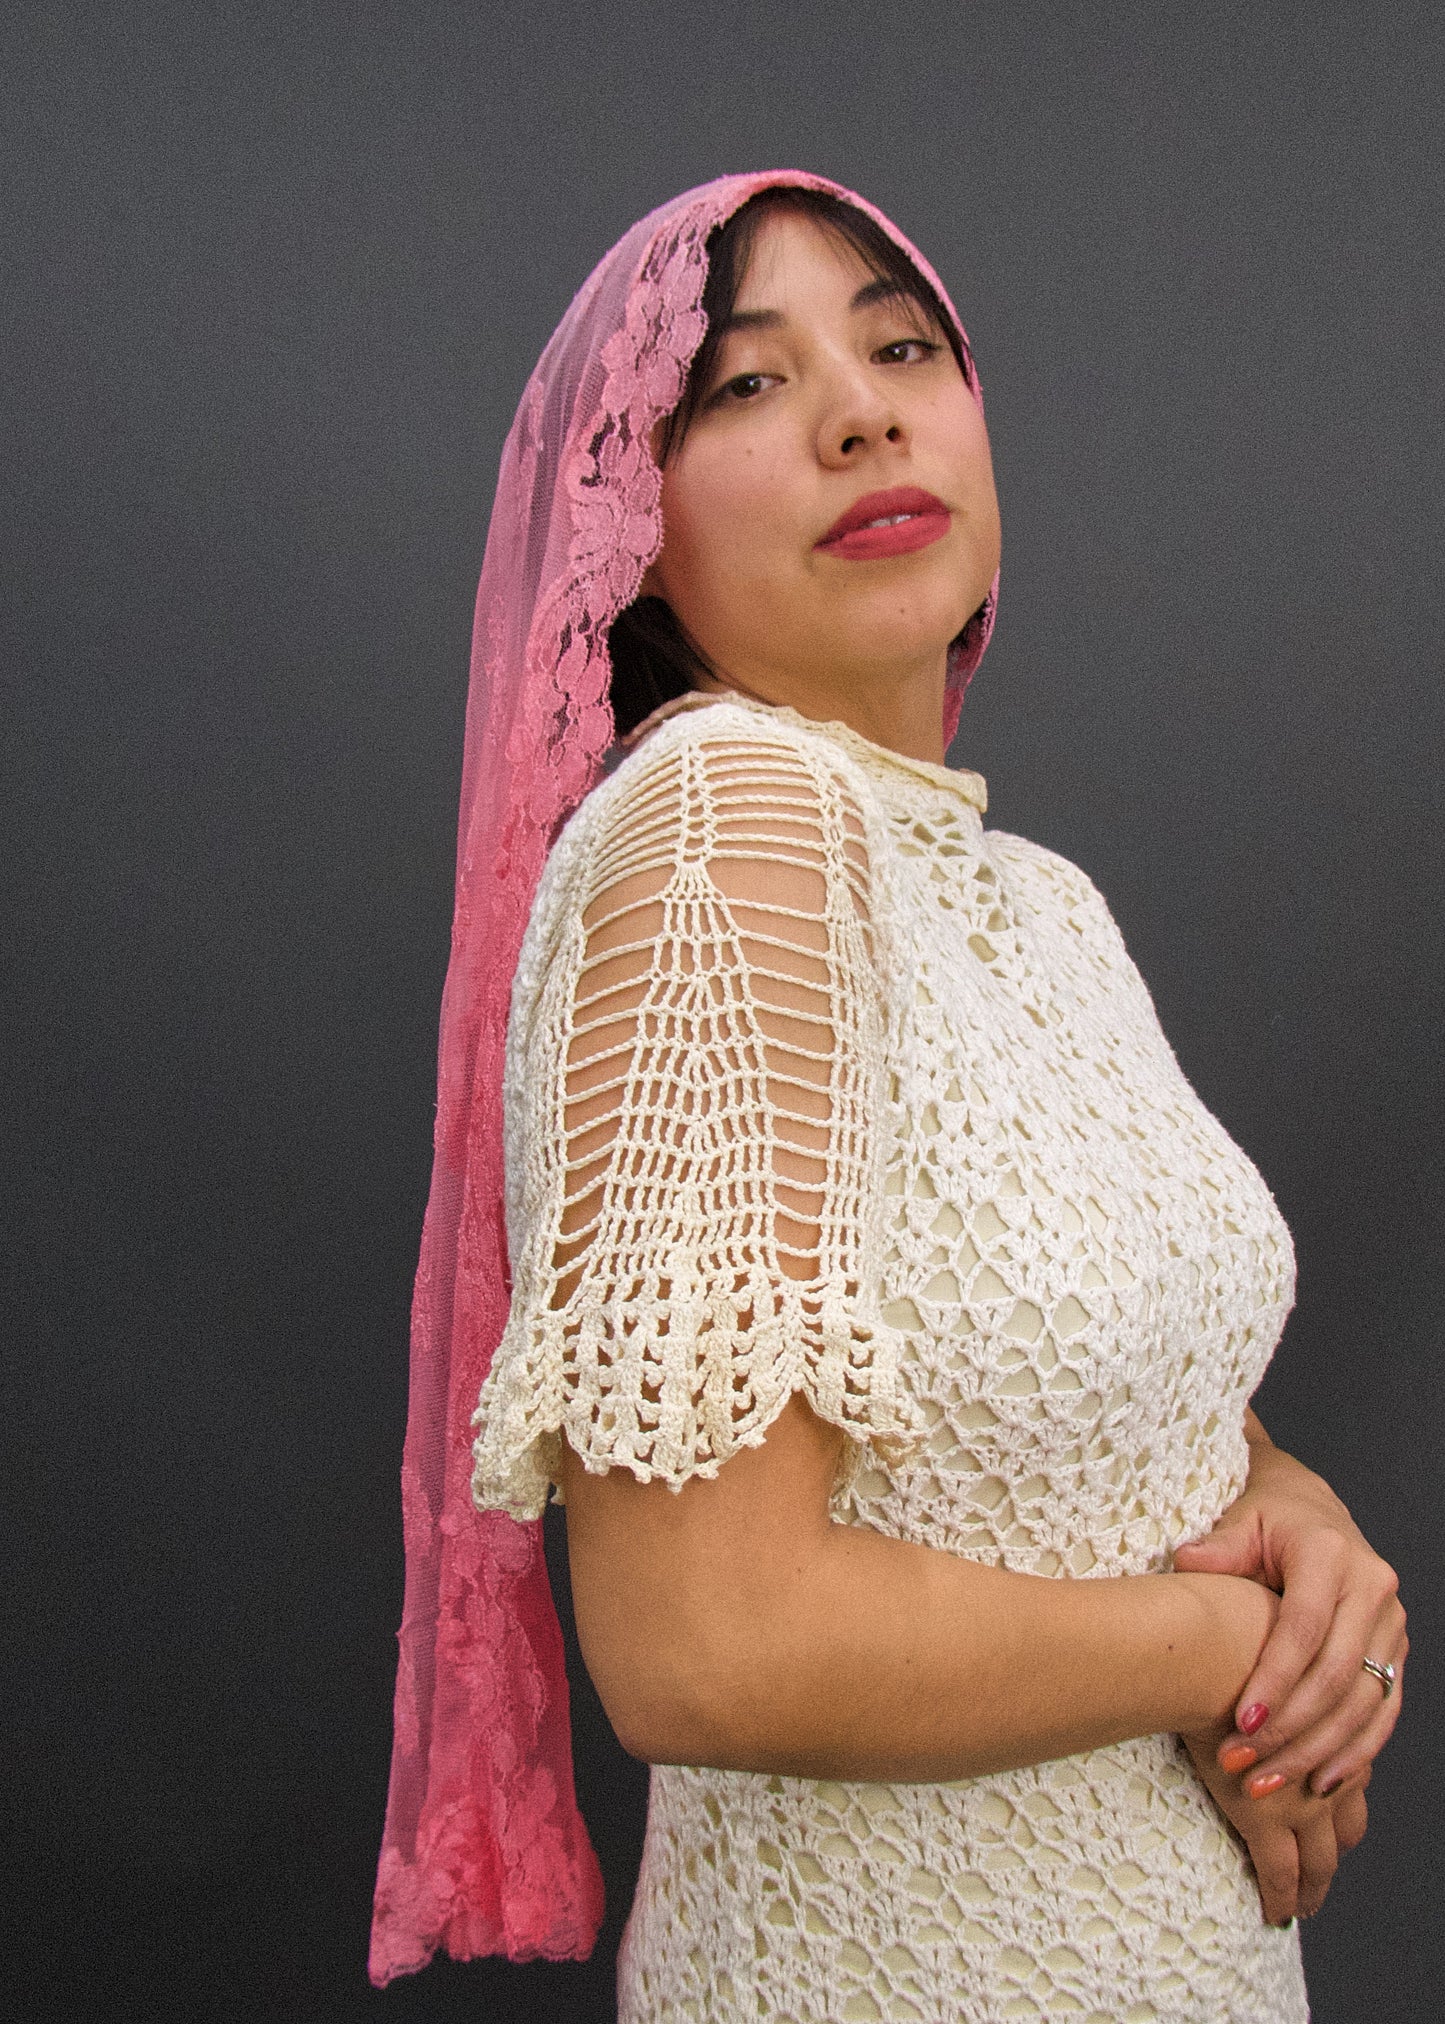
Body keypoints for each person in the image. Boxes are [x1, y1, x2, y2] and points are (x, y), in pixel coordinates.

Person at [370, 173, 1406, 2022]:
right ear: (630, 529)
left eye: (902, 349)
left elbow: (1097, 1393)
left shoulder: (1032, 900)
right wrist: (1225, 1649)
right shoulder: (725, 820)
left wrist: (1303, 1532)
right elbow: (713, 1646)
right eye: (744, 385)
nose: (859, 413)